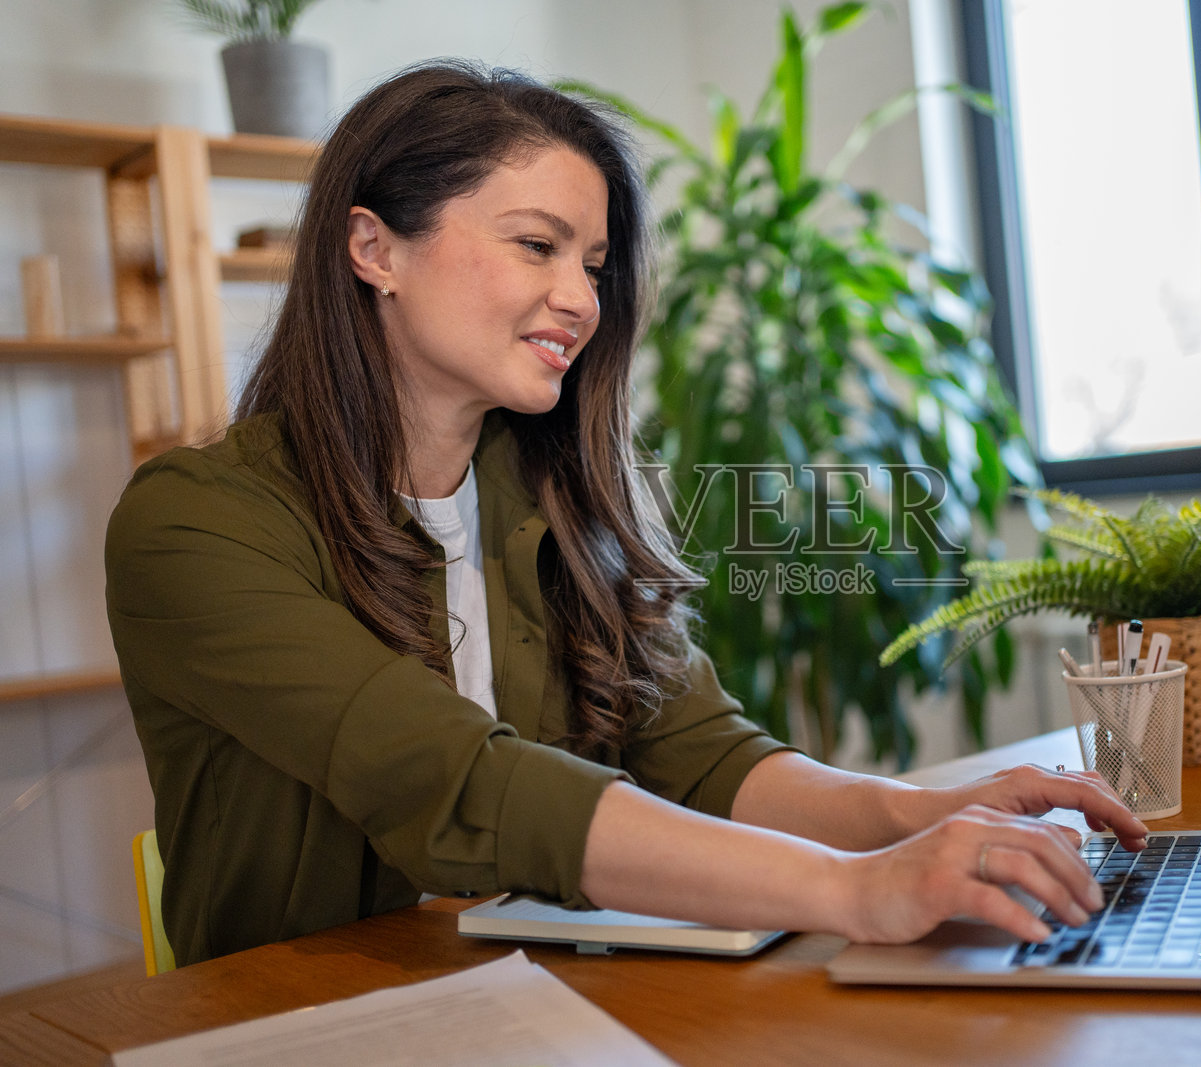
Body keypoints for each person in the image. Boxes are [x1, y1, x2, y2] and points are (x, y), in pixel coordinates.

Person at [104, 61, 1146, 968]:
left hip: (540, 989)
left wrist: (925, 815)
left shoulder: (559, 496)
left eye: (593, 265)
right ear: (373, 249)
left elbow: (710, 756)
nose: (581, 299)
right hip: (298, 1020)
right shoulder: (194, 524)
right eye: (535, 245)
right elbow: (457, 781)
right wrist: (856, 890)